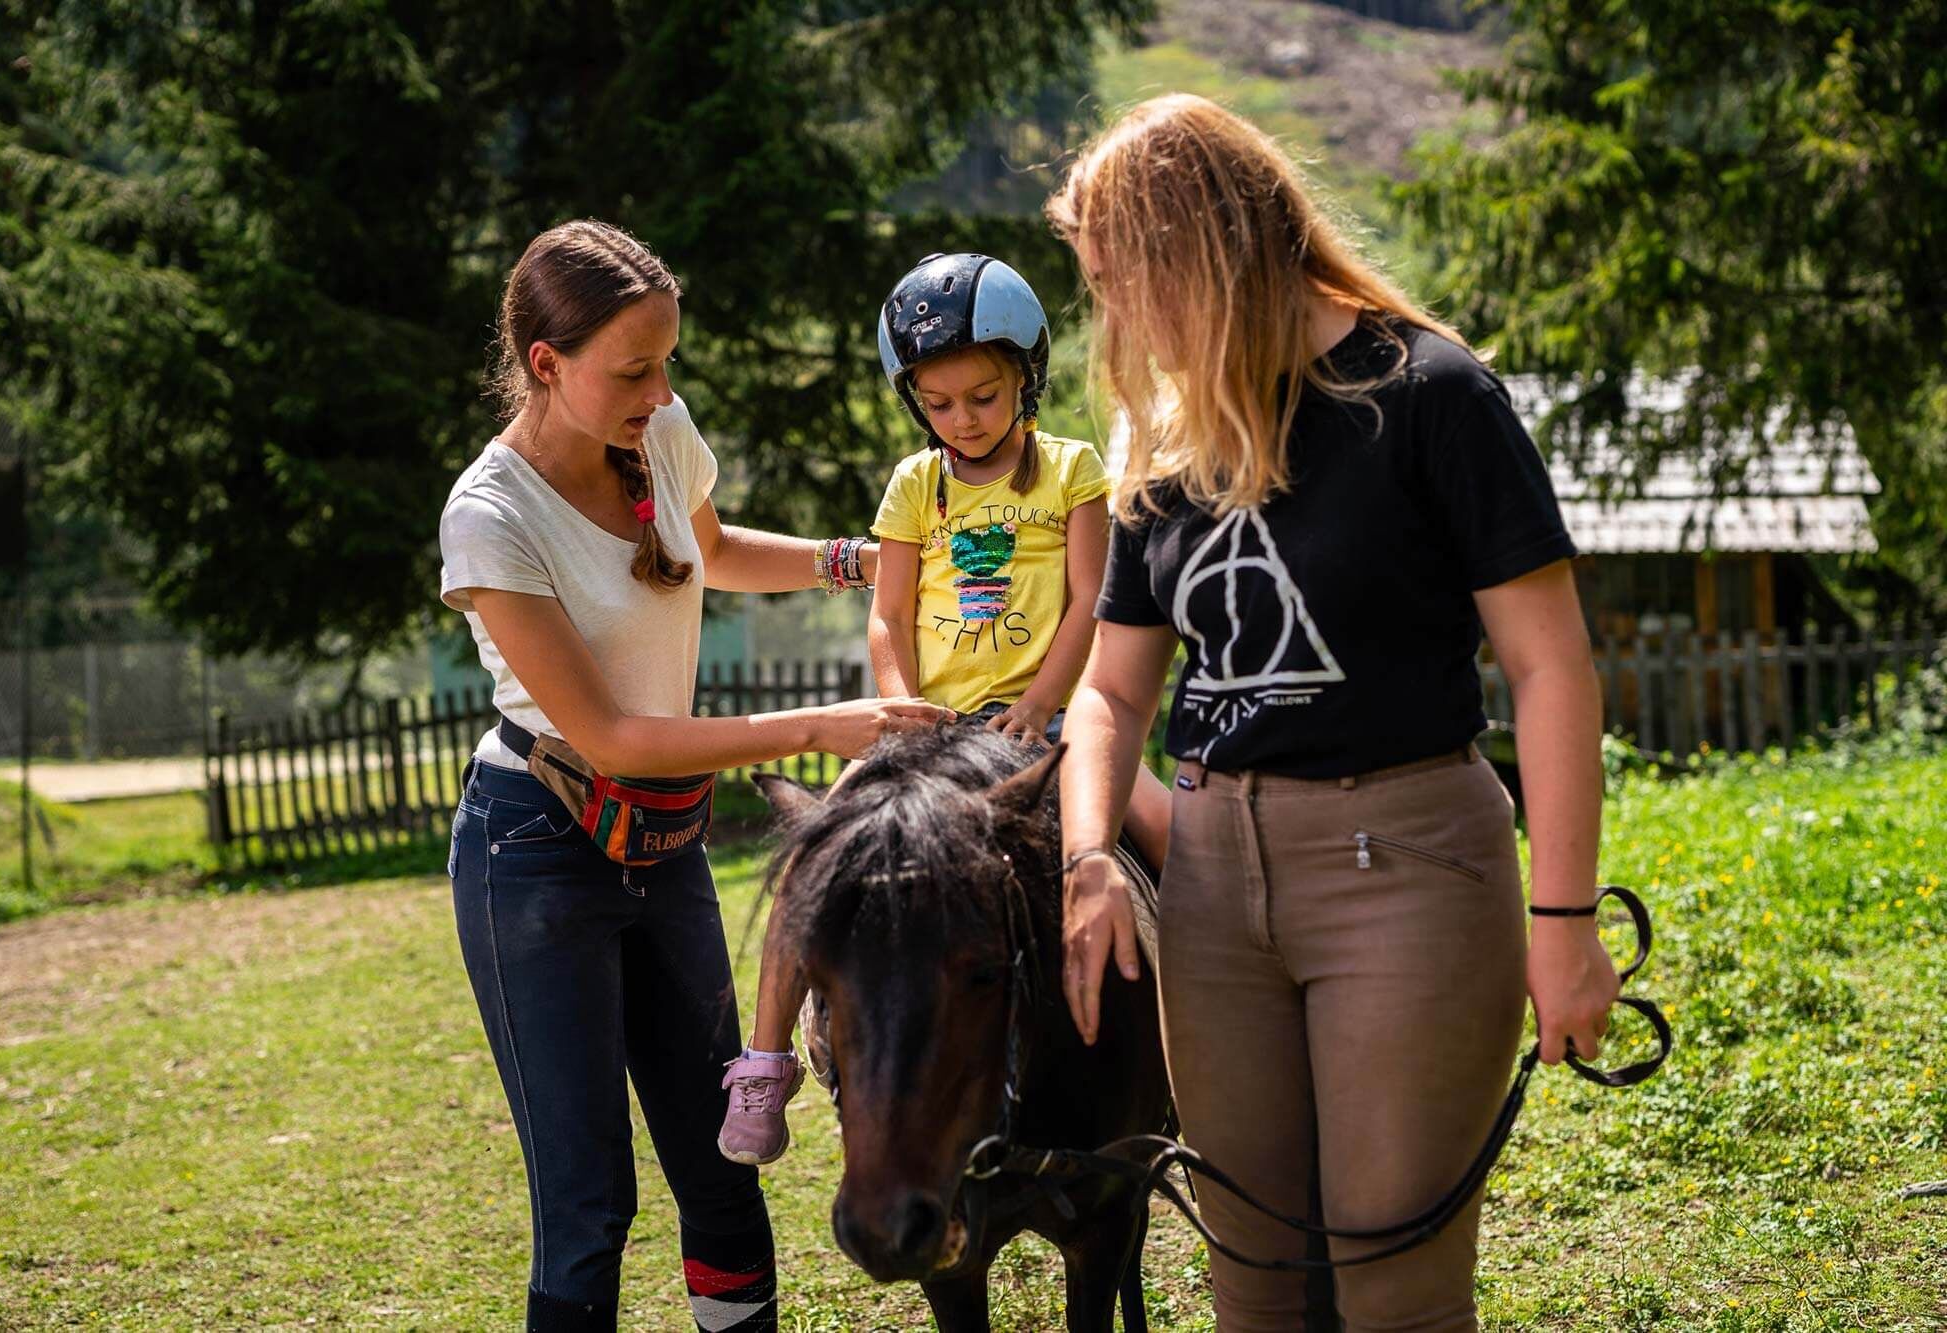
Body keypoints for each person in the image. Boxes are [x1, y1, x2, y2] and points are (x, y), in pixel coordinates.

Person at [1046, 95, 1622, 1331]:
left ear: (1196, 252)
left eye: (1121, 283)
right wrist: (1090, 855)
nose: (1116, 322)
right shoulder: (1165, 430)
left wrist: (1563, 917)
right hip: (1207, 884)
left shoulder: (1428, 392)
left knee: (1391, 1283)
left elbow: (1552, 668)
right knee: (1251, 1280)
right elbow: (1108, 689)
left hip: (1403, 867)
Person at [438, 218, 951, 1332]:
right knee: (588, 1205)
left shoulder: (654, 428)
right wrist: (823, 726)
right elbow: (613, 734)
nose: (659, 387)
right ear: (544, 362)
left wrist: (860, 561)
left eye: (666, 359)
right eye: (633, 367)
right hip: (535, 852)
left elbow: (708, 550)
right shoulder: (489, 519)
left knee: (722, 1168)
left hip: (658, 844)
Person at [717, 252, 1172, 1167]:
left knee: (1175, 833)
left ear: (1025, 378)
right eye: (940, 402)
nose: (962, 418)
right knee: (814, 850)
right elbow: (888, 610)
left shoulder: (1073, 472)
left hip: (1052, 716)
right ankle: (764, 1059)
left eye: (983, 396)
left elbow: (1091, 597)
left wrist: (1046, 701)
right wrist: (899, 702)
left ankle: (1202, 1036)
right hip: (928, 724)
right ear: (914, 402)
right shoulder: (913, 486)